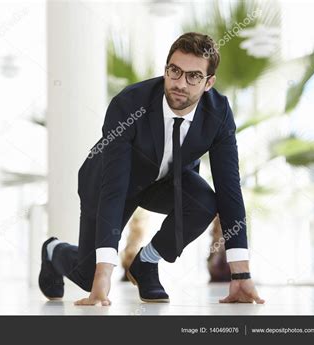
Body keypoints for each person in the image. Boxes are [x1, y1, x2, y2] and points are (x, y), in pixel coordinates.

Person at [39, 32, 265, 306]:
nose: (180, 83)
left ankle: (145, 262)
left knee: (205, 202)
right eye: (175, 71)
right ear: (166, 68)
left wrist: (241, 273)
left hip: (164, 181)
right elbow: (114, 187)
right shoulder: (129, 104)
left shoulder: (218, 114)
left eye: (193, 76)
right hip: (106, 183)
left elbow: (229, 190)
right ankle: (53, 251)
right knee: (90, 276)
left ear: (209, 83)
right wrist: (103, 275)